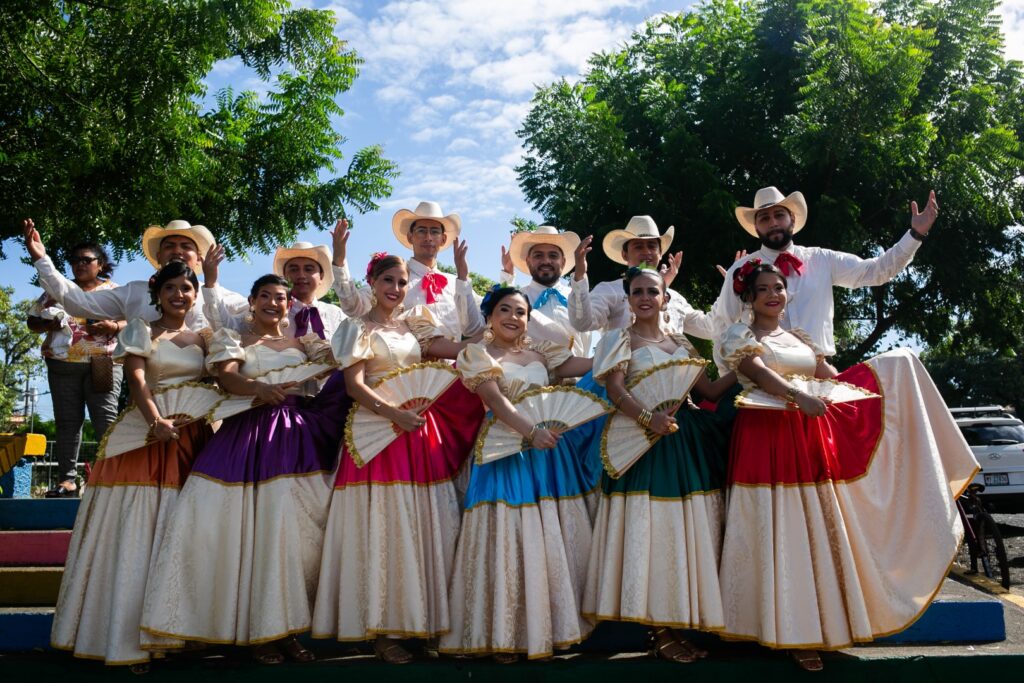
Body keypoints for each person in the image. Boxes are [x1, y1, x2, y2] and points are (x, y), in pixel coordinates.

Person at [717, 262, 979, 671]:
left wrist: (886, 392)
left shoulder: (799, 338)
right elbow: (756, 372)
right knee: (780, 525)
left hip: (806, 436)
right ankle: (788, 631)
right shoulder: (739, 335)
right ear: (748, 297)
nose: (773, 294)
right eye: (764, 288)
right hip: (766, 436)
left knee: (817, 528)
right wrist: (796, 397)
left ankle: (821, 626)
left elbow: (835, 379)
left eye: (780, 288)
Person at [141, 274, 339, 664]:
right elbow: (228, 376)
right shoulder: (235, 340)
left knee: (294, 536)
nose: (273, 302)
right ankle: (256, 633)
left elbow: (340, 366)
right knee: (248, 532)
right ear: (251, 301)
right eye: (264, 296)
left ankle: (288, 630)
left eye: (280, 297)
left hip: (297, 441)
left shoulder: (307, 343)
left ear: (289, 304)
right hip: (248, 436)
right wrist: (258, 390)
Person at [312, 253, 483, 664]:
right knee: (383, 530)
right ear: (372, 282)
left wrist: (489, 345)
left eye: (402, 282)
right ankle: (381, 630)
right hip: (375, 438)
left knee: (422, 526)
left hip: (415, 437)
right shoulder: (356, 328)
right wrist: (394, 414)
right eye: (388, 280)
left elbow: (450, 350)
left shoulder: (415, 324)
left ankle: (419, 622)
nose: (396, 288)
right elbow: (353, 386)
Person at [50, 261, 212, 672]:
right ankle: (129, 638)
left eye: (186, 289)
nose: (179, 295)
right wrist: (155, 420)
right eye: (171, 288)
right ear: (157, 293)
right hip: (145, 434)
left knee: (185, 534)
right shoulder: (140, 328)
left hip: (194, 440)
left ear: (196, 295)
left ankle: (178, 630)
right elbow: (137, 379)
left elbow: (222, 380)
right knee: (139, 533)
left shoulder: (206, 336)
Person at [582, 267, 737, 664]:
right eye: (638, 292)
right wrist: (647, 418)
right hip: (641, 443)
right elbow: (615, 390)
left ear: (666, 298)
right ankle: (658, 630)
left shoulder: (681, 342)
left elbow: (709, 391)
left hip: (683, 442)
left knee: (683, 531)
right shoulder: (618, 339)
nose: (646, 297)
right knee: (648, 531)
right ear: (629, 299)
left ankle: (677, 623)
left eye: (654, 290)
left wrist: (747, 364)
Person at [439, 287, 599, 663]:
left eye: (521, 311)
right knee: (508, 534)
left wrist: (617, 356)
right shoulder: (476, 354)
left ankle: (547, 627)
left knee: (544, 535)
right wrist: (530, 431)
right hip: (503, 448)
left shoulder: (541, 353)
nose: (513, 317)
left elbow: (581, 366)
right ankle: (503, 632)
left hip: (545, 453)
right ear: (490, 316)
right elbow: (496, 401)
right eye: (505, 310)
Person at [704, 186, 940, 366]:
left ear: (792, 220)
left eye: (779, 215)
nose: (773, 222)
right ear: (756, 228)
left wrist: (915, 235)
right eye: (764, 218)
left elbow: (876, 271)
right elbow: (722, 326)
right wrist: (733, 382)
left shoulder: (822, 259)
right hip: (764, 383)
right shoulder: (741, 269)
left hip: (820, 375)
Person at [23, 218, 248, 331]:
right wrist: (42, 260)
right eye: (170, 245)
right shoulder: (135, 291)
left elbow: (255, 319)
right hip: (146, 402)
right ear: (159, 256)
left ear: (198, 258)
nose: (177, 251)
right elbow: (79, 303)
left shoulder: (219, 293)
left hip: (206, 402)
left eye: (186, 246)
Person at [27, 241, 124, 497]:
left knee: (106, 420)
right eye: (75, 259)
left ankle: (113, 479)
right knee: (67, 423)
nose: (79, 264)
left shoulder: (114, 291)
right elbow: (31, 322)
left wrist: (113, 327)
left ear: (100, 264)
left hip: (103, 363)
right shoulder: (58, 289)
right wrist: (50, 323)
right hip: (61, 364)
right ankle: (67, 481)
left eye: (86, 259)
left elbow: (136, 321)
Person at [330, 202, 485, 341]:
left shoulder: (455, 283)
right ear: (410, 236)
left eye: (435, 232)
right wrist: (339, 262)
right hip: (404, 368)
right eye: (422, 231)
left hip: (452, 368)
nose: (428, 237)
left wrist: (464, 278)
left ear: (443, 239)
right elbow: (353, 306)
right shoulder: (395, 279)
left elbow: (474, 328)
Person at [569, 216, 709, 337]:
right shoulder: (609, 290)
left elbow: (710, 328)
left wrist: (730, 284)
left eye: (652, 246)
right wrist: (580, 276)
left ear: (660, 253)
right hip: (626, 367)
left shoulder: (674, 297)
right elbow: (582, 323)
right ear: (625, 255)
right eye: (638, 246)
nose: (646, 252)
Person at [206, 241, 346, 339]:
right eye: (294, 269)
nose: (301, 275)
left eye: (309, 269)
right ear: (284, 276)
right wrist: (210, 283)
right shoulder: (267, 310)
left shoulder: (335, 314)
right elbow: (223, 325)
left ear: (321, 276)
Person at [498, 226, 591, 358]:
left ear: (563, 262)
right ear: (528, 261)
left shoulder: (578, 296)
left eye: (553, 255)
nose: (546, 261)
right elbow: (497, 318)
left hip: (577, 377)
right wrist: (507, 274)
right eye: (538, 255)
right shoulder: (517, 299)